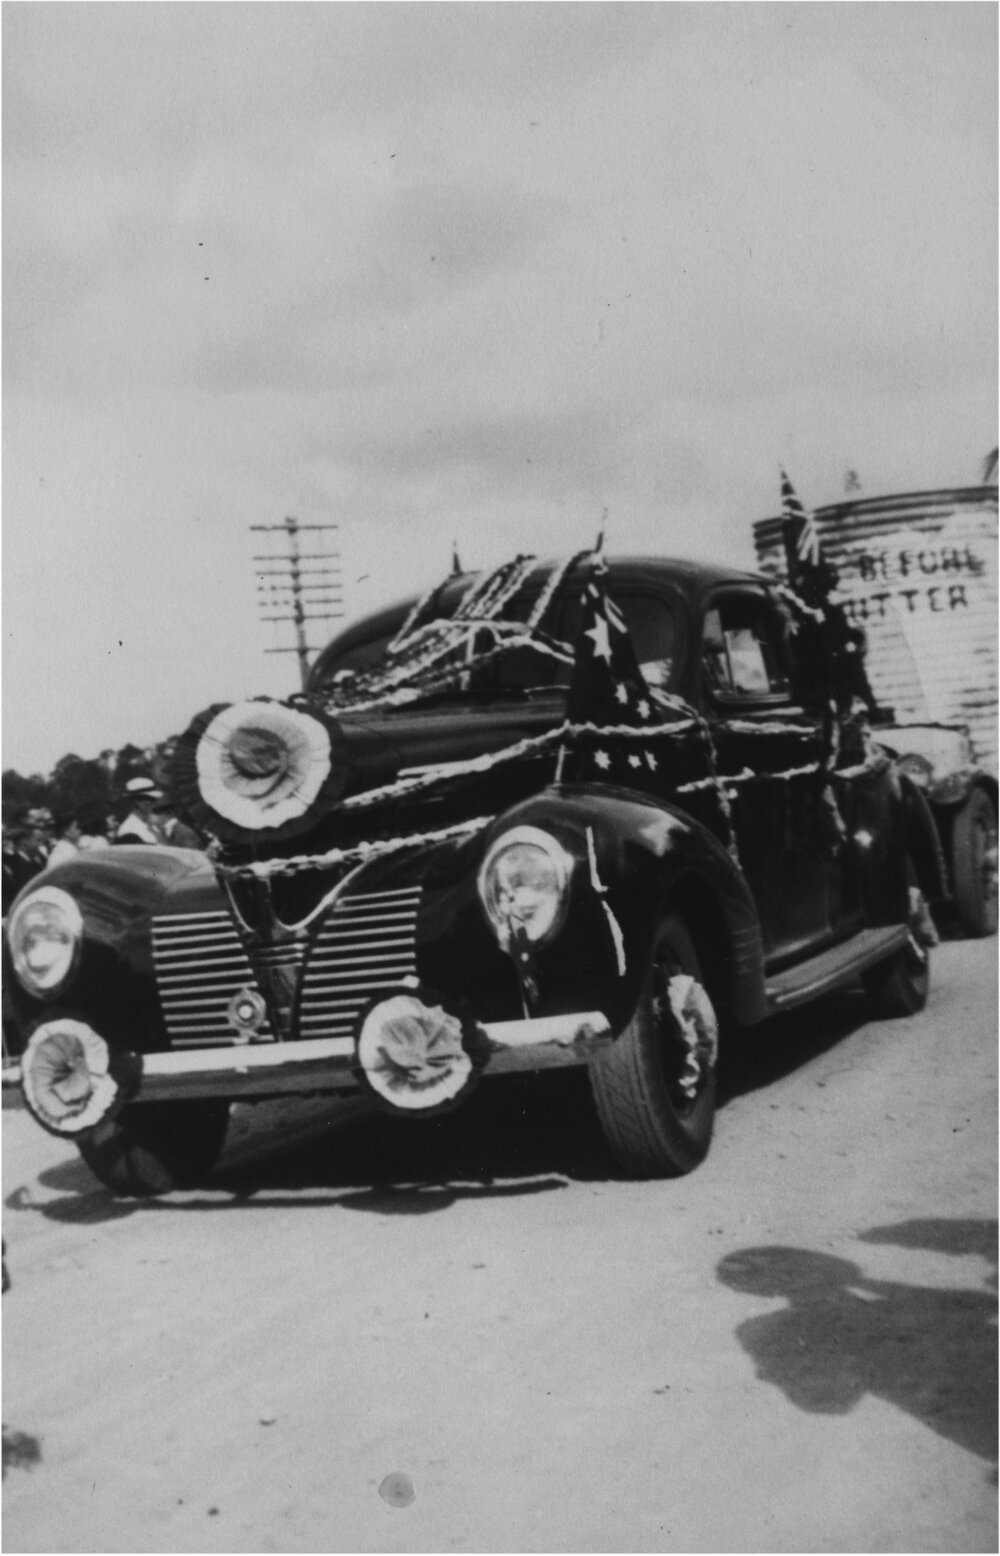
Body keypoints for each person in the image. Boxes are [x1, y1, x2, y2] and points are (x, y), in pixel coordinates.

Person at [115, 777, 170, 844]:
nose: (152, 802)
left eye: (154, 799)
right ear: (136, 801)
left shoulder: (153, 826)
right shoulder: (128, 829)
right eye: (148, 798)